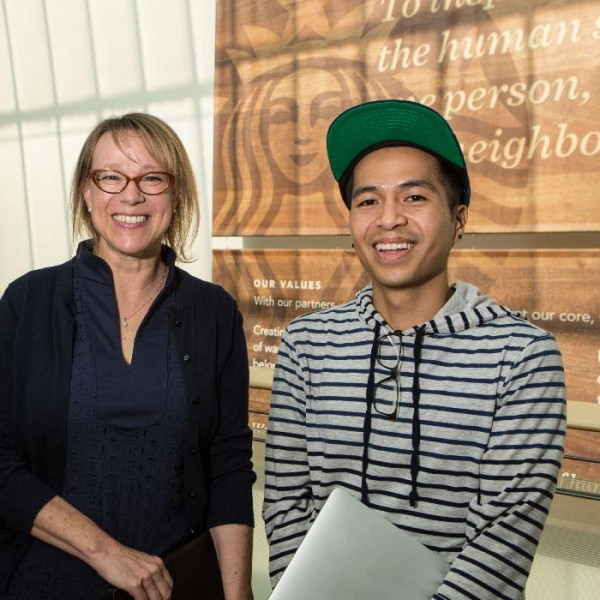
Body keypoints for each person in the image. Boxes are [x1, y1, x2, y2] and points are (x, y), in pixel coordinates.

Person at [263, 99, 566, 599]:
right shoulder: (307, 344)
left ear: (459, 218)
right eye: (368, 201)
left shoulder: (523, 357)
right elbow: (286, 502)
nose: (389, 220)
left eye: (414, 198)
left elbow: (503, 537)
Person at [0, 113, 255, 600]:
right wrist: (105, 553)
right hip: (41, 583)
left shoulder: (213, 313)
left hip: (173, 587)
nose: (131, 196)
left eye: (152, 178)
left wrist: (237, 597)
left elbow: (228, 468)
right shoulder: (26, 303)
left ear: (175, 194)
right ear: (87, 192)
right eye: (111, 177)